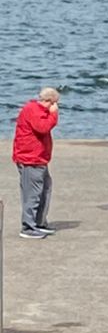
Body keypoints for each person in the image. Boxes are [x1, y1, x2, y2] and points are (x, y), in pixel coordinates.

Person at [12, 87, 60, 239]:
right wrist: (53, 114)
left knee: (45, 189)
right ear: (49, 101)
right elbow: (42, 127)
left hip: (39, 158)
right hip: (29, 159)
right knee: (32, 193)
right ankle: (28, 226)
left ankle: (39, 222)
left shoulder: (38, 110)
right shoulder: (33, 110)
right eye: (55, 103)